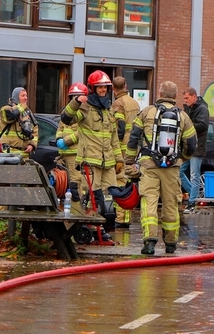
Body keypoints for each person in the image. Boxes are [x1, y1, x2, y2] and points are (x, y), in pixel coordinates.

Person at [127, 80, 197, 255]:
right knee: (171, 203)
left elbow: (133, 137)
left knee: (149, 201)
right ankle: (171, 243)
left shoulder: (147, 112)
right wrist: (182, 158)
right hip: (172, 167)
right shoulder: (183, 116)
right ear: (174, 96)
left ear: (159, 93)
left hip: (149, 165)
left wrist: (128, 160)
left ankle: (149, 242)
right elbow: (192, 143)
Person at [61, 70, 120, 226]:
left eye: (105, 87)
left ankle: (105, 228)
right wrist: (76, 102)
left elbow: (113, 138)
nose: (103, 90)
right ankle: (90, 228)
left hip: (108, 162)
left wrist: (119, 160)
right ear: (92, 88)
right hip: (90, 163)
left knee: (109, 196)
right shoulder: (85, 108)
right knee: (91, 196)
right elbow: (67, 119)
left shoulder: (109, 109)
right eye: (99, 87)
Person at [110, 75, 140, 226]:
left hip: (122, 148)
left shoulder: (117, 104)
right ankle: (125, 217)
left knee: (120, 181)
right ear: (126, 86)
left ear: (113, 89)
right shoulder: (134, 102)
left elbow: (120, 128)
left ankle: (120, 219)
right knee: (128, 180)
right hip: (134, 147)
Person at [179, 87, 210, 213]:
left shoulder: (202, 109)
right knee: (179, 172)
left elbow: (203, 125)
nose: (185, 100)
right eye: (184, 98)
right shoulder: (188, 109)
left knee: (194, 175)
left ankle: (192, 203)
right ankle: (193, 194)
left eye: (187, 98)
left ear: (194, 97)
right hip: (188, 147)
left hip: (197, 147)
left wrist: (188, 126)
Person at [56, 83, 87, 203]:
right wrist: (58, 139)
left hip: (76, 155)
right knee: (65, 187)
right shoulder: (67, 112)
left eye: (77, 96)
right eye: (73, 96)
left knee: (76, 185)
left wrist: (66, 141)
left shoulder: (84, 113)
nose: (75, 99)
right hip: (65, 156)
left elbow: (81, 132)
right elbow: (60, 128)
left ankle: (79, 211)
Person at [0, 87, 37, 160]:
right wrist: (22, 107)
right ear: (16, 98)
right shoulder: (6, 109)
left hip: (24, 156)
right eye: (23, 96)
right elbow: (13, 114)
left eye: (26, 95)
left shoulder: (28, 113)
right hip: (8, 154)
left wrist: (32, 145)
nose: (26, 98)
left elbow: (35, 130)